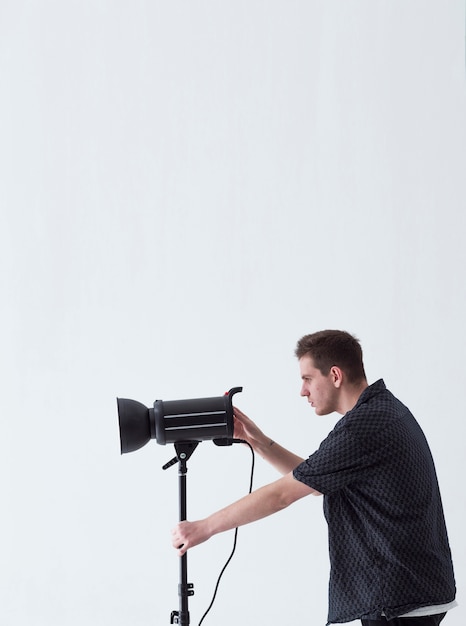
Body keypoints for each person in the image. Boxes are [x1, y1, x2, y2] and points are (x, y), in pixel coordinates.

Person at [171, 330, 456, 625]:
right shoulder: (381, 410)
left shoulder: (362, 428)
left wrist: (203, 528)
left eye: (307, 379)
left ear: (335, 375)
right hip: (415, 590)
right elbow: (316, 481)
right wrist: (256, 440)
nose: (302, 391)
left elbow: (282, 495)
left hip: (399, 599)